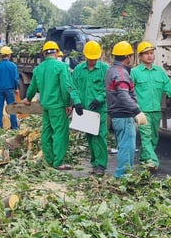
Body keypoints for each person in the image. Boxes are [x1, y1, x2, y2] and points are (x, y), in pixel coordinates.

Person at [23, 41, 82, 170]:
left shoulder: (38, 69)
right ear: (56, 53)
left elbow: (32, 87)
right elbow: (66, 87)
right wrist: (68, 104)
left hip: (46, 106)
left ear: (44, 53)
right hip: (58, 106)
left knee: (47, 132)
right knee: (60, 133)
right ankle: (58, 162)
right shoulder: (61, 67)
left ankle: (49, 159)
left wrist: (27, 99)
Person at [130, 41, 171, 173]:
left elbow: (167, 86)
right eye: (146, 54)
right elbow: (130, 91)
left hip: (155, 111)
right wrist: (133, 107)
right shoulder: (135, 72)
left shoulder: (159, 71)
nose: (149, 56)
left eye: (151, 53)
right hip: (142, 111)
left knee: (154, 137)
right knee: (146, 136)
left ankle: (143, 158)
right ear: (140, 56)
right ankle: (153, 162)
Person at [105, 40, 147, 178]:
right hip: (123, 114)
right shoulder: (121, 73)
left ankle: (124, 174)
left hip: (116, 114)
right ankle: (123, 175)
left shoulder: (111, 70)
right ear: (128, 57)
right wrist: (136, 111)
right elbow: (123, 94)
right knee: (127, 147)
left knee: (123, 145)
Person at [71, 41, 109, 176]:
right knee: (90, 137)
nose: (92, 61)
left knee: (100, 136)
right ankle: (94, 163)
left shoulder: (104, 69)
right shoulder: (78, 70)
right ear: (85, 56)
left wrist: (100, 98)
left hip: (99, 110)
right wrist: (77, 102)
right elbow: (73, 87)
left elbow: (110, 87)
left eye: (94, 58)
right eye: (89, 58)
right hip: (85, 110)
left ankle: (101, 165)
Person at [0, 46, 20, 129]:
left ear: (1, 55)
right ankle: (14, 127)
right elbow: (15, 79)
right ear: (9, 55)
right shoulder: (13, 66)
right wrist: (16, 88)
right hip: (10, 90)